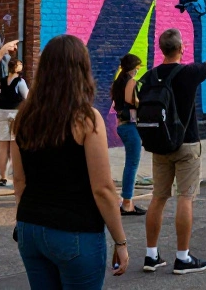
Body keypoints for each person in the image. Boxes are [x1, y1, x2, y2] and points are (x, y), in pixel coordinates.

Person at [13, 34, 128, 288]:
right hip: (75, 230)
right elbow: (103, 189)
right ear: (81, 71)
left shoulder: (24, 116)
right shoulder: (86, 118)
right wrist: (120, 241)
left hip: (30, 226)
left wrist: (29, 217)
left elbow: (19, 181)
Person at [143, 29, 206, 275]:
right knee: (185, 197)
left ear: (161, 49)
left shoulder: (150, 76)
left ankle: (151, 255)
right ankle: (182, 257)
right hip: (187, 143)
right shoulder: (189, 73)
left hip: (160, 144)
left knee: (158, 198)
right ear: (181, 48)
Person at [112, 53, 146, 216]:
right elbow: (131, 101)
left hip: (122, 124)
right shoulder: (130, 82)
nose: (139, 69)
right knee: (132, 165)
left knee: (130, 164)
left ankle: (128, 202)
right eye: (138, 67)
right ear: (133, 68)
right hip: (130, 126)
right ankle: (127, 203)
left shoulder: (118, 81)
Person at [0, 58, 28, 187]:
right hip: (14, 113)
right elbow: (26, 97)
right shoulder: (20, 81)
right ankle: (15, 175)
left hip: (1, 112)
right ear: (17, 68)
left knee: (2, 146)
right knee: (14, 146)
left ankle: (3, 177)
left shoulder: (3, 80)